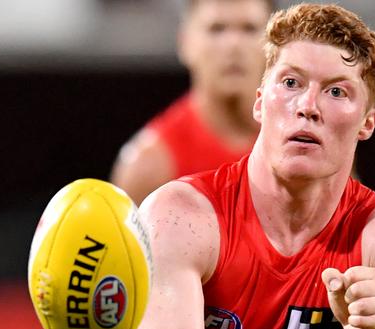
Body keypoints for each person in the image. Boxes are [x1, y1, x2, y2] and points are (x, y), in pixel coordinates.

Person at [123, 4, 375, 329]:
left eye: (336, 92)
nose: (307, 106)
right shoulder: (177, 218)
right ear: (260, 103)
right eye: (291, 83)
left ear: (368, 123)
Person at [109, 0, 272, 204]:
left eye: (250, 29)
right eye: (217, 29)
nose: (234, 45)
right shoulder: (148, 168)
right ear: (185, 43)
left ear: (274, 44)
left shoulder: (304, 146)